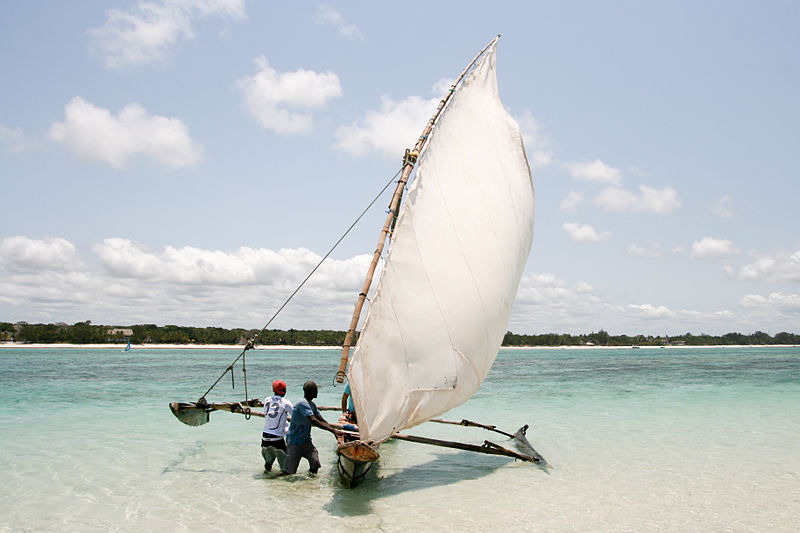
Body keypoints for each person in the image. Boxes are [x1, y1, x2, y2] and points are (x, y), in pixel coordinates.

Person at [282, 380, 341, 475]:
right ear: (311, 392)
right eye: (316, 390)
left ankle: (310, 484)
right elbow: (313, 420)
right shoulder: (302, 403)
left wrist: (334, 431)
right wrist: (332, 430)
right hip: (294, 442)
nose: (317, 392)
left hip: (306, 442)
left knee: (315, 463)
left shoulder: (312, 405)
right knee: (289, 473)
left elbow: (322, 420)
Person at [261, 379, 293, 473]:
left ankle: (266, 476)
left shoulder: (266, 400)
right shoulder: (286, 402)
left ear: (274, 390)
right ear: (285, 391)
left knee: (268, 462)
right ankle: (282, 482)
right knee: (285, 467)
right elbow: (294, 415)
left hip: (265, 436)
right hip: (277, 438)